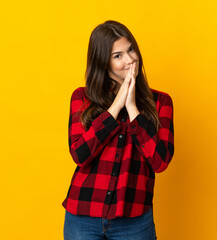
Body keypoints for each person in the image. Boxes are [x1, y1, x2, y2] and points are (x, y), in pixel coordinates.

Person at [62, 20, 174, 240]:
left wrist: (133, 109)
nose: (130, 60)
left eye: (131, 50)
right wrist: (115, 108)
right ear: (104, 63)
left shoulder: (161, 102)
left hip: (134, 219)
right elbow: (79, 154)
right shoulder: (82, 98)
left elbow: (160, 162)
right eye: (118, 56)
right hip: (82, 216)